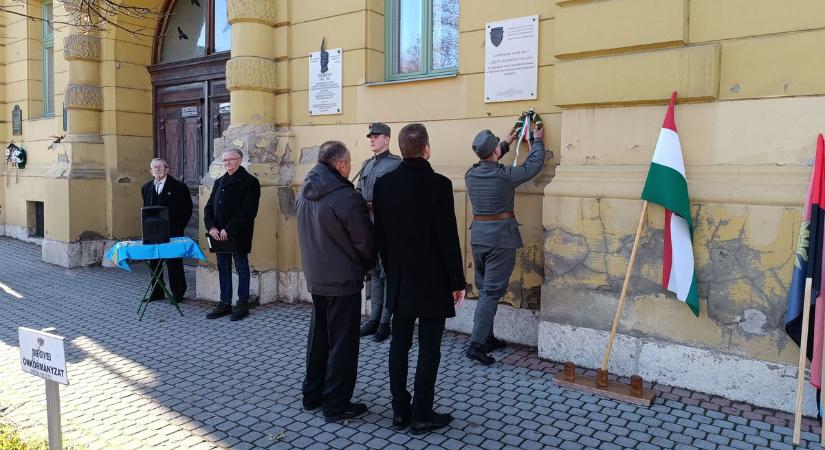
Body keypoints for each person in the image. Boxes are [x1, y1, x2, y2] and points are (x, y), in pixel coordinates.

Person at [373, 123, 466, 434]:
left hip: (399, 279)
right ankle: (422, 413)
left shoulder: (384, 185)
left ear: (400, 150)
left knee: (399, 344)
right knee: (429, 348)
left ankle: (400, 410)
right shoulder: (439, 185)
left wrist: (391, 269)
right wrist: (457, 281)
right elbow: (448, 238)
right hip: (433, 280)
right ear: (427, 149)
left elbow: (381, 237)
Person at [297, 141, 375, 422]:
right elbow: (364, 242)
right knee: (342, 344)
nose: (351, 167)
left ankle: (312, 395)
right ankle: (336, 404)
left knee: (318, 339)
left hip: (317, 277)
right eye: (350, 162)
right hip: (343, 281)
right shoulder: (346, 197)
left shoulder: (305, 191)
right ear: (341, 165)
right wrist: (368, 264)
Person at [464, 122, 547, 365]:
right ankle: (477, 345)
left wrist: (508, 142)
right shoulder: (504, 176)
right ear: (496, 153)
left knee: (484, 291)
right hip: (500, 240)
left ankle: (486, 336)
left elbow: (489, 156)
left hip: (479, 238)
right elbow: (533, 166)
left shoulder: (471, 174)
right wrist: (538, 140)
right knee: (491, 293)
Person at [356, 122, 401, 342]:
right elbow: (357, 192)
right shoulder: (366, 165)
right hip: (368, 227)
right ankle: (373, 318)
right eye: (370, 137)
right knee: (374, 273)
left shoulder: (395, 164)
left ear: (387, 139)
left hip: (388, 227)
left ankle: (385, 321)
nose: (372, 140)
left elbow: (399, 197)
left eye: (376, 136)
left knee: (387, 273)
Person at [203, 149, 261, 321]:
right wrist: (211, 227)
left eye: (231, 160)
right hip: (218, 235)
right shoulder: (220, 181)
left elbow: (249, 211)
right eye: (225, 160)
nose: (227, 163)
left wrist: (228, 228)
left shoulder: (250, 182)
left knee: (242, 268)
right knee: (223, 267)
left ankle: (242, 304)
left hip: (237, 234)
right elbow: (208, 207)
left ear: (240, 160)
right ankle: (225, 303)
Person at [141, 158, 193, 302]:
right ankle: (157, 292)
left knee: (174, 263)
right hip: (152, 233)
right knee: (154, 262)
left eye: (160, 167)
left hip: (173, 232)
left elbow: (187, 211)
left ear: (167, 169)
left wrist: (178, 228)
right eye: (154, 167)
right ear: (151, 171)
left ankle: (178, 293)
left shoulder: (179, 187)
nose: (157, 169)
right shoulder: (146, 188)